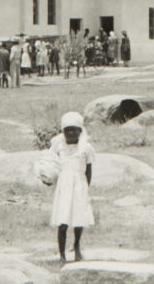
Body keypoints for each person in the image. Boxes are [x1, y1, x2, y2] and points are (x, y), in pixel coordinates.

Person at [40, 111, 95, 263]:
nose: (70, 132)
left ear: (80, 131)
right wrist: (47, 177)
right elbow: (49, 164)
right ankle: (62, 254)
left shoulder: (86, 148)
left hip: (80, 185)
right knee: (62, 221)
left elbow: (88, 171)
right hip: (64, 186)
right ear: (63, 131)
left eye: (74, 129)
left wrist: (85, 189)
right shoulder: (58, 146)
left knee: (79, 219)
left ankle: (77, 247)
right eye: (67, 129)